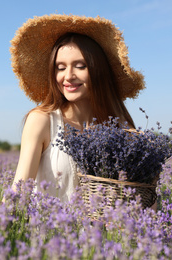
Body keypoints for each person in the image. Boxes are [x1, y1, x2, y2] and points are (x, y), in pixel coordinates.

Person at [9, 14, 153, 206]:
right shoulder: (42, 120)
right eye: (60, 68)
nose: (68, 76)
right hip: (49, 234)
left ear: (97, 70)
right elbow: (19, 191)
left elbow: (145, 203)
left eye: (80, 66)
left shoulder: (120, 128)